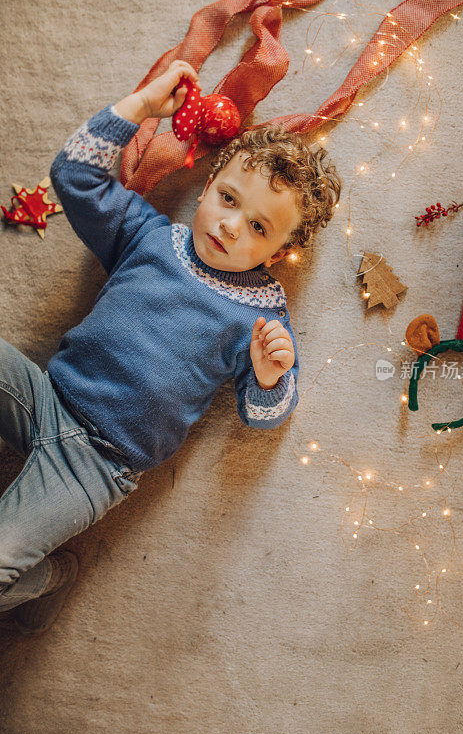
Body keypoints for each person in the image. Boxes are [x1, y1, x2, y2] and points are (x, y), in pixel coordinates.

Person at [0, 60, 341, 634]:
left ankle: (45, 581)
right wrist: (141, 107)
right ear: (207, 187)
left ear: (279, 254)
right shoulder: (150, 235)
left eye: (260, 228)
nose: (233, 227)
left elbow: (267, 417)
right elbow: (75, 177)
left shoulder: (260, 313)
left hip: (96, 466)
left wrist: (268, 374)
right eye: (229, 199)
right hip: (45, 393)